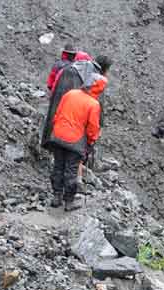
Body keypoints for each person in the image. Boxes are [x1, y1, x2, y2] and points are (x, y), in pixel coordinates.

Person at [48, 61, 110, 211]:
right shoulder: (93, 104)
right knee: (71, 170)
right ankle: (69, 202)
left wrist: (58, 129)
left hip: (58, 136)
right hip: (74, 141)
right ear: (98, 88)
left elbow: (57, 115)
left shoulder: (70, 94)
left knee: (58, 166)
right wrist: (90, 142)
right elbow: (92, 128)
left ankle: (56, 196)